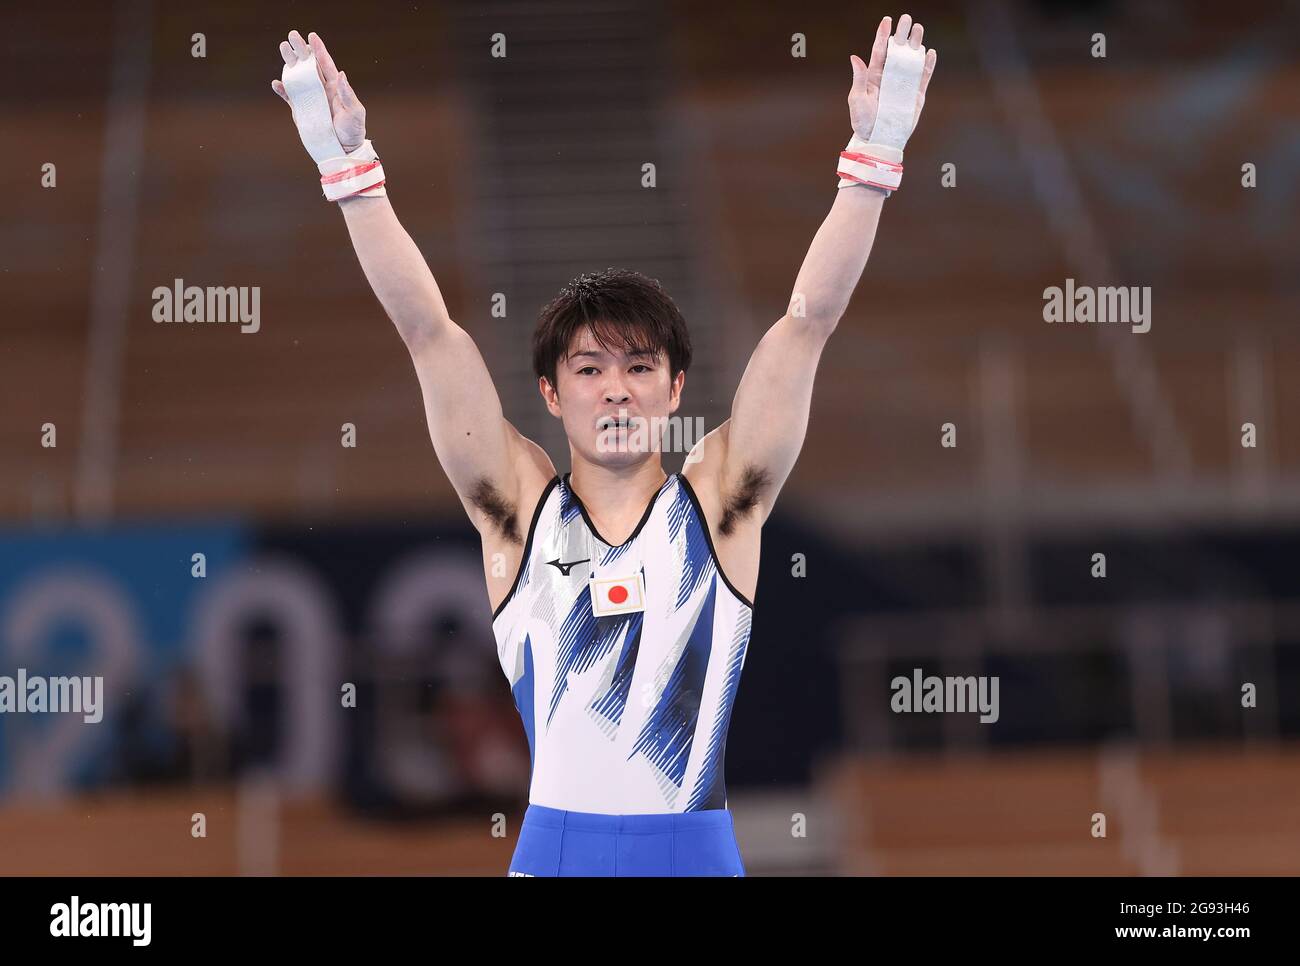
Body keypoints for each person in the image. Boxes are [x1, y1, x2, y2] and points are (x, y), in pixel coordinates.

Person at [271, 14, 936, 876]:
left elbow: (806, 325)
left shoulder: (721, 502)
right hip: (557, 852)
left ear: (675, 389)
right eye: (588, 369)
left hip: (690, 854)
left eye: (639, 365)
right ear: (550, 394)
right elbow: (428, 334)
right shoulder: (517, 511)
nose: (615, 387)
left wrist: (873, 160)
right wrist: (348, 170)